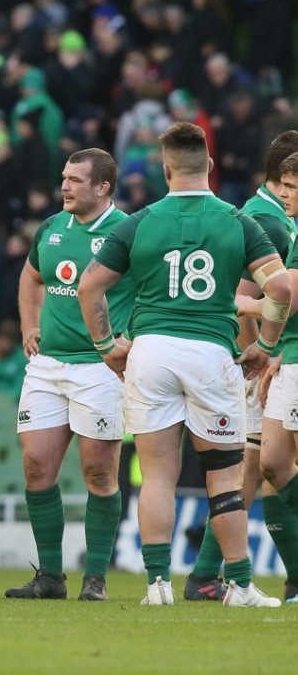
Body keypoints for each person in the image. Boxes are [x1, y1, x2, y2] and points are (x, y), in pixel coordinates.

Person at [78, 121, 289, 607]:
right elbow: (279, 289)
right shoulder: (238, 221)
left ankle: (157, 587)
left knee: (156, 475)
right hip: (210, 353)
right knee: (223, 475)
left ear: (165, 168)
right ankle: (238, 585)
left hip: (150, 351)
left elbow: (90, 287)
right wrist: (267, 344)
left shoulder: (139, 221)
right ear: (210, 166)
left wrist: (106, 345)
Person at [6, 148, 133, 602]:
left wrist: (131, 338)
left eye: (76, 180)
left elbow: (153, 288)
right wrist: (29, 325)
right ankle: (51, 578)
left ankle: (95, 579)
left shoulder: (126, 231)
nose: (65, 186)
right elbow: (31, 277)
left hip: (100, 368)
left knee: (100, 472)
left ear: (103, 187)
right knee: (36, 465)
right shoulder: (52, 228)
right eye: (64, 177)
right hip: (47, 366)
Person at [187, 130, 298, 601]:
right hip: (257, 360)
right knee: (254, 466)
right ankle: (211, 573)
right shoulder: (265, 223)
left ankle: (212, 574)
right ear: (284, 178)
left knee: (261, 466)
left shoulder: (278, 218)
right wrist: (260, 353)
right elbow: (239, 299)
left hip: (269, 357)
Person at [255, 151, 298, 604]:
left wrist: (241, 306)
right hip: (291, 357)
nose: (283, 194)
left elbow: (290, 299)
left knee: (274, 463)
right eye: (282, 185)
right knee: (272, 463)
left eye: (290, 187)